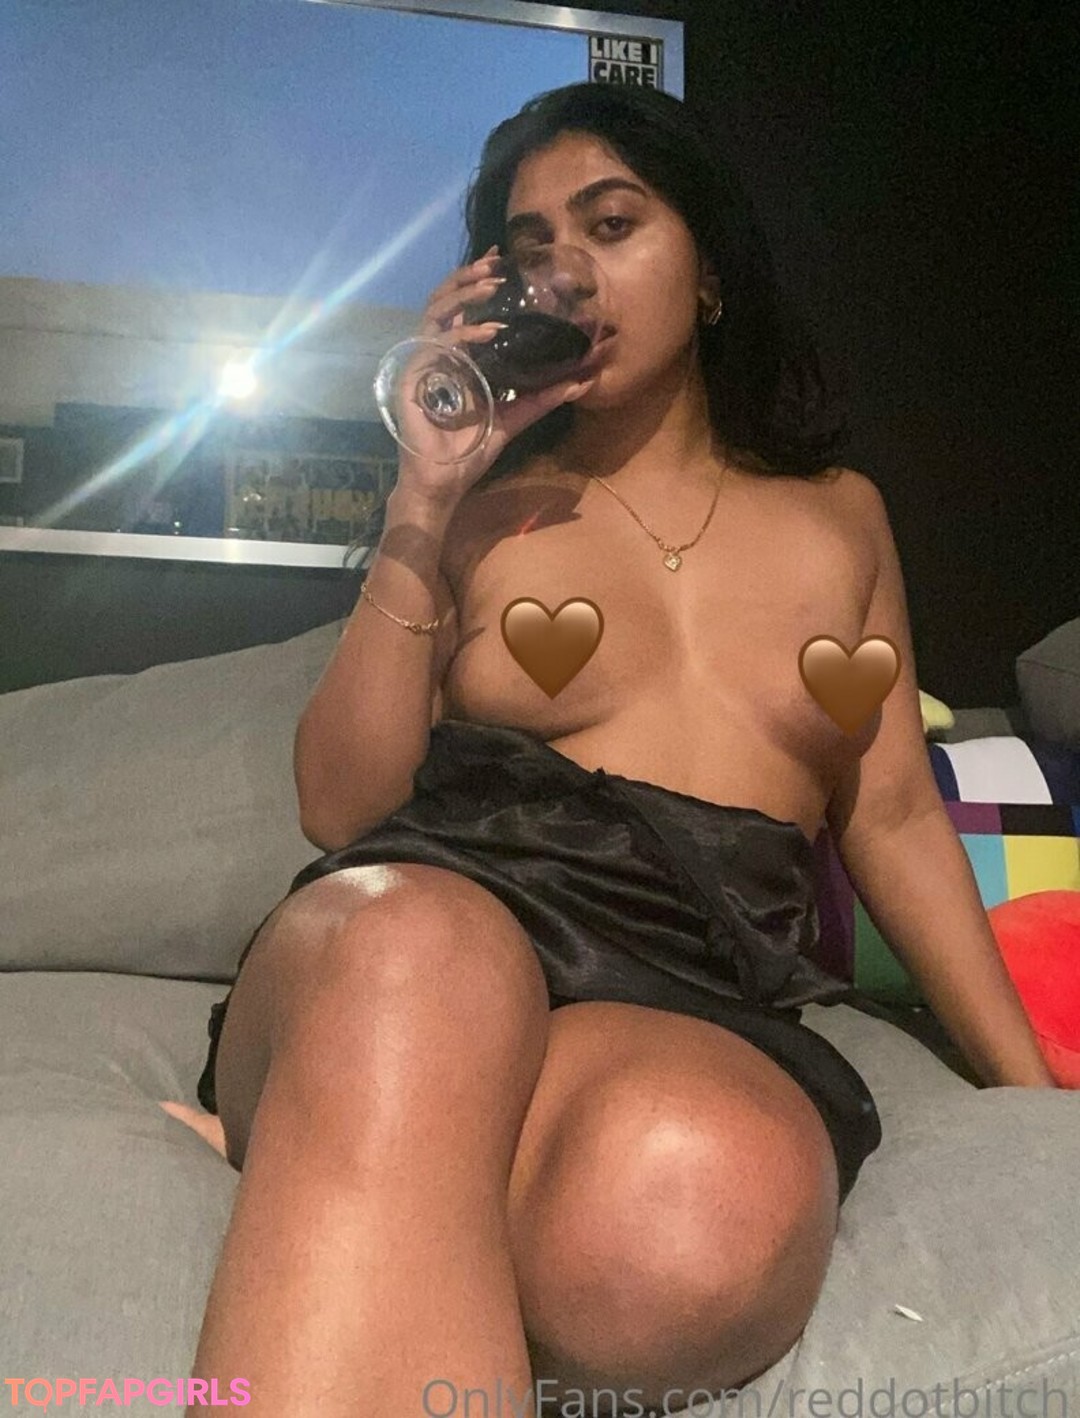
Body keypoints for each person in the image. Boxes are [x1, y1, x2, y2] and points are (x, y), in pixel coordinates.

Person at [162, 81, 1055, 1418]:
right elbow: (340, 807)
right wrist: (424, 499)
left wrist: (1033, 1096)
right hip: (432, 920)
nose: (568, 272)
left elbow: (891, 817)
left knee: (678, 1217)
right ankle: (361, 1102)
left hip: (688, 976)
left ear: (709, 273)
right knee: (421, 959)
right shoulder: (480, 513)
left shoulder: (840, 518)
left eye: (613, 224)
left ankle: (336, 1140)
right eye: (531, 248)